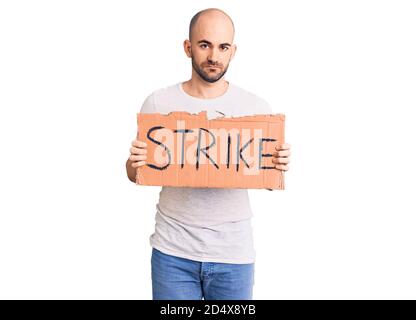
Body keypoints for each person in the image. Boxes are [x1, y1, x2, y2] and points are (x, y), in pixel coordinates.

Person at [126, 8, 291, 300]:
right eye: (205, 45)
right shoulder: (158, 102)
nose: (214, 56)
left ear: (233, 51)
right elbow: (135, 172)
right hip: (173, 252)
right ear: (188, 47)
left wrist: (277, 165)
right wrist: (133, 162)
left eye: (223, 47)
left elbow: (265, 178)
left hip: (233, 254)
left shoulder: (256, 108)